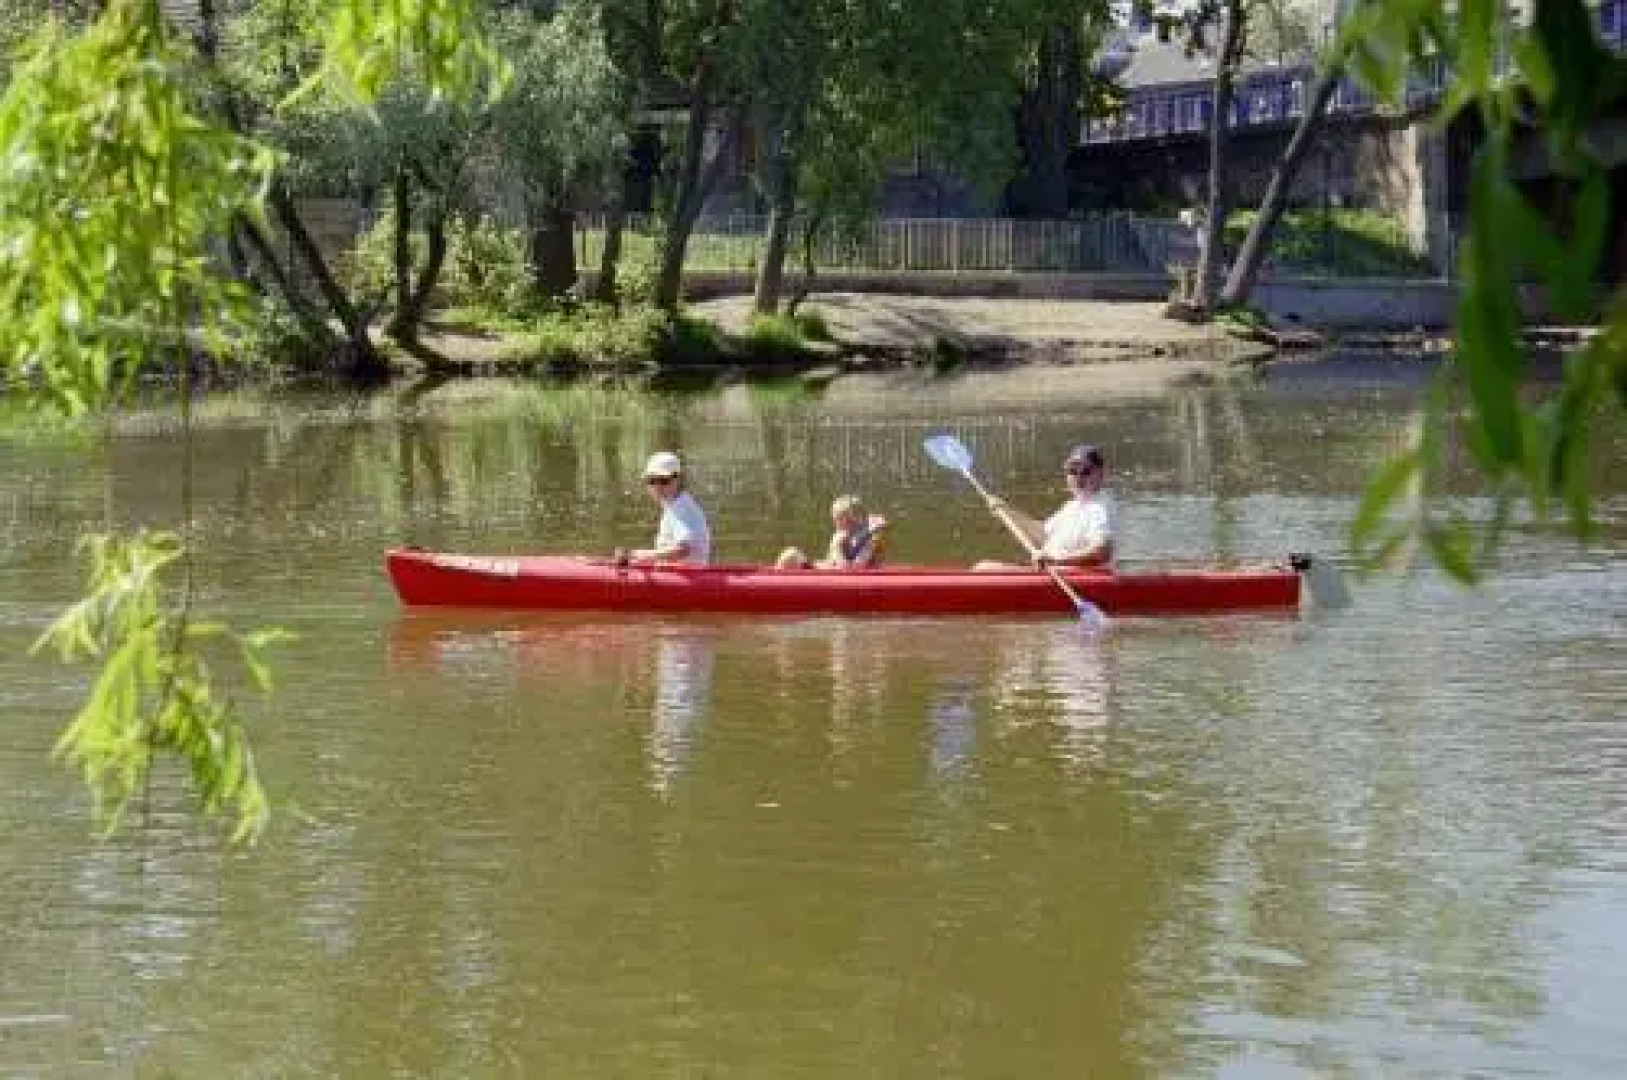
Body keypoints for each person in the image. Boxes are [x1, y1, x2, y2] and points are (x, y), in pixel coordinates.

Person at [975, 443, 1115, 571]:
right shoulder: (1073, 506)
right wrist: (1006, 510)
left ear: (1101, 474)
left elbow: (1103, 550)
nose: (1078, 477)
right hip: (1051, 572)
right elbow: (1041, 534)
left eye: (1086, 471)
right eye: (1072, 470)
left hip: (1072, 577)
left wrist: (1056, 560)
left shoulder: (1099, 507)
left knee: (983, 568)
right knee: (983, 566)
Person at [616, 450, 711, 566]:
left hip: (687, 578)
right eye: (652, 481)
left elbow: (683, 550)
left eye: (663, 481)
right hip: (678, 574)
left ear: (678, 480)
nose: (657, 487)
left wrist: (642, 555)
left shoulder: (681, 508)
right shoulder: (674, 504)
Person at [775, 495, 888, 570]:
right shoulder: (844, 536)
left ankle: (772, 589)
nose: (836, 525)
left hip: (838, 580)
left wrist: (837, 547)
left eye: (839, 520)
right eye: (836, 520)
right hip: (828, 573)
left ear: (855, 520)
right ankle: (774, 584)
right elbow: (831, 561)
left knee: (791, 555)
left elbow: (851, 571)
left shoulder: (867, 541)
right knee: (791, 553)